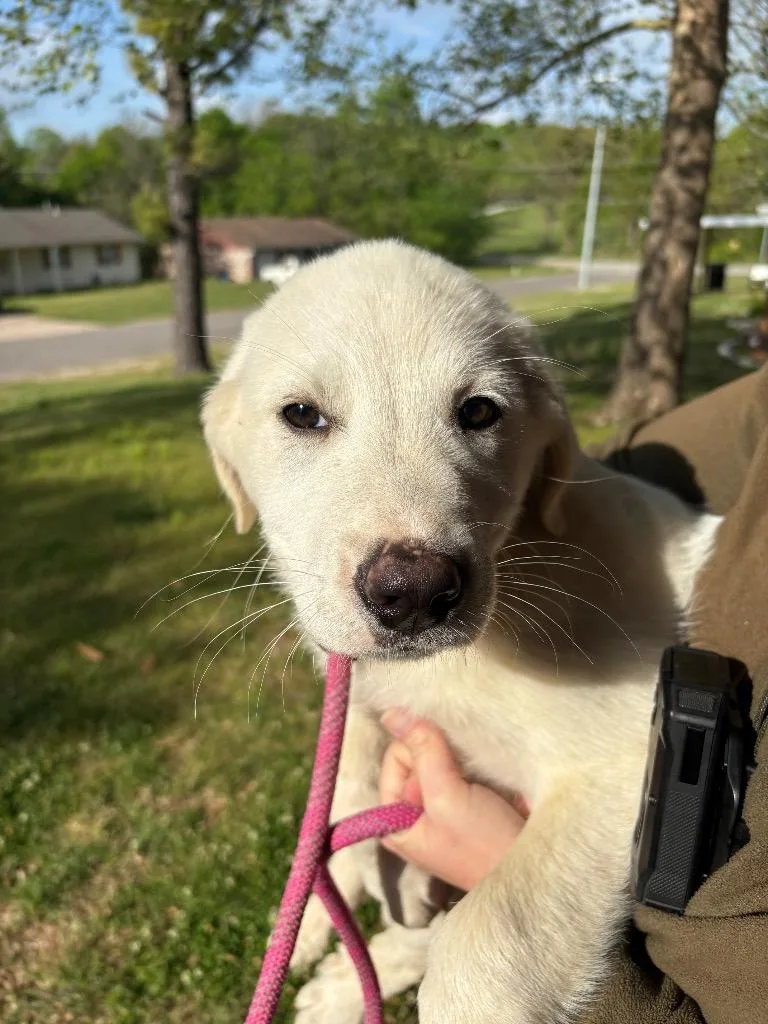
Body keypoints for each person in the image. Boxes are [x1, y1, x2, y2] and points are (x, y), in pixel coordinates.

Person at [379, 363, 768, 1024]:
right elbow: (650, 448)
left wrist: (508, 883)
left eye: (476, 411)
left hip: (649, 946)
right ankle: (408, 944)